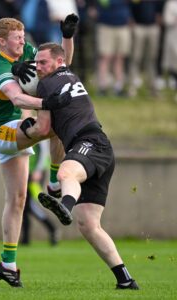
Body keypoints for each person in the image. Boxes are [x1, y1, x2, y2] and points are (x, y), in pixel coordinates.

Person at [21, 42, 139, 290]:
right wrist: (67, 37)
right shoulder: (68, 74)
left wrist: (24, 130)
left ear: (58, 62)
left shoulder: (47, 84)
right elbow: (52, 130)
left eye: (43, 62)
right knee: (88, 224)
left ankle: (64, 204)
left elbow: (42, 129)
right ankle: (125, 279)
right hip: (100, 148)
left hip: (89, 143)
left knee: (66, 172)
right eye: (37, 62)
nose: (38, 67)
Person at [0, 15, 79, 287]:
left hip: (16, 125)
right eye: (17, 36)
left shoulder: (27, 52)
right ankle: (53, 182)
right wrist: (48, 100)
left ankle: (7, 264)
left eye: (23, 34)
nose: (23, 40)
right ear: (2, 42)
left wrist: (67, 38)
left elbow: (62, 65)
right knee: (50, 125)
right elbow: (17, 97)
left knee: (18, 199)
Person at [21, 141, 59, 246]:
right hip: (28, 172)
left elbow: (44, 151)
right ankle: (25, 239)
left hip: (36, 173)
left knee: (30, 205)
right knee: (24, 206)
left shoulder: (40, 127)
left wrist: (38, 170)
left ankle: (52, 229)